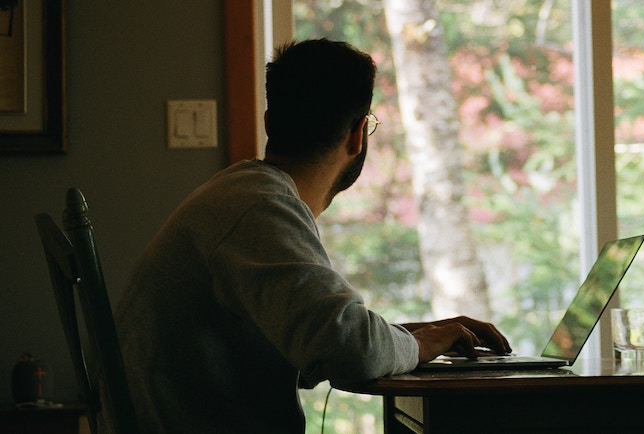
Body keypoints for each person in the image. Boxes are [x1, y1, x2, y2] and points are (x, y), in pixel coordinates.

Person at [105, 38, 511, 433]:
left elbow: (327, 336)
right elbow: (351, 351)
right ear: (357, 135)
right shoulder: (258, 208)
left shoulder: (242, 194)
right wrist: (418, 347)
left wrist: (413, 337)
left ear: (269, 123)